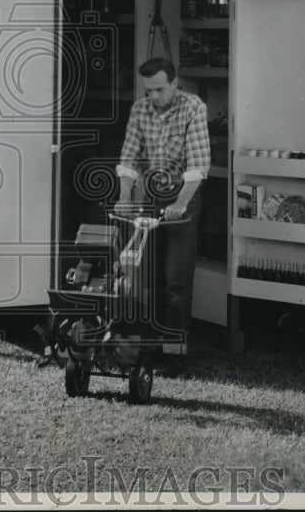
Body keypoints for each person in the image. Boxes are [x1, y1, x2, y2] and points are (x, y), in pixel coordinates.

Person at [114, 57, 210, 375]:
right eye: (149, 90)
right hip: (151, 198)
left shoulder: (193, 107)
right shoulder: (140, 110)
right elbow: (129, 157)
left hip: (183, 198)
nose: (154, 96)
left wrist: (180, 204)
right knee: (150, 280)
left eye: (160, 89)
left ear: (174, 83)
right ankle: (152, 350)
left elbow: (198, 166)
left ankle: (175, 357)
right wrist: (125, 196)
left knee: (176, 284)